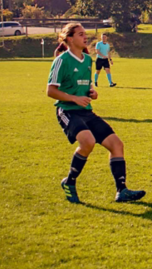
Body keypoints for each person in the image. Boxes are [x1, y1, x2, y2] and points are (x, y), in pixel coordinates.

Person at [47, 23, 145, 204]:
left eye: (85, 34)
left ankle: (121, 191)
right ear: (70, 39)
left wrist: (92, 92)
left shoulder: (87, 60)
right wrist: (74, 99)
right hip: (67, 110)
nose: (85, 37)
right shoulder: (61, 60)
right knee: (88, 141)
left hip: (85, 111)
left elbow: (86, 86)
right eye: (80, 34)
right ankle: (70, 182)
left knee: (117, 144)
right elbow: (51, 91)